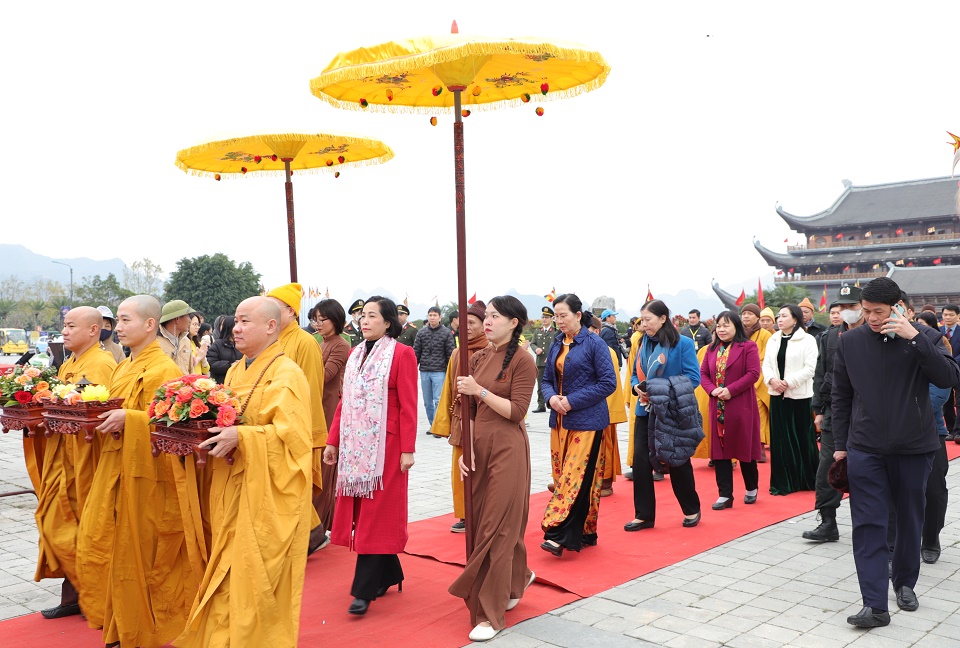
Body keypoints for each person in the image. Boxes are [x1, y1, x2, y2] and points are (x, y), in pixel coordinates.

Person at [175, 297, 313, 647]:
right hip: (230, 484)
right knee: (225, 574)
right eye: (235, 321)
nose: (235, 328)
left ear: (270, 326)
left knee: (253, 575)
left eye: (244, 321)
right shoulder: (236, 370)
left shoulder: (287, 373)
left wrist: (244, 437)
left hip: (264, 495)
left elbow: (293, 442)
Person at [832, 277, 960, 628]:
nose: (871, 318)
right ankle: (875, 605)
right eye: (867, 310)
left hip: (915, 447)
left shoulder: (927, 337)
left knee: (909, 520)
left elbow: (948, 377)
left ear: (898, 308)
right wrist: (840, 447)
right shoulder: (850, 342)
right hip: (865, 448)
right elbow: (841, 397)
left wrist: (915, 338)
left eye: (879, 312)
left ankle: (904, 583)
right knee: (869, 525)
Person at [75, 295, 195, 647]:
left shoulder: (165, 370)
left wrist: (132, 418)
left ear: (149, 324)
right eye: (119, 321)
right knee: (105, 545)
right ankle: (120, 627)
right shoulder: (123, 366)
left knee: (140, 555)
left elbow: (173, 428)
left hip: (149, 478)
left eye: (126, 320)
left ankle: (141, 632)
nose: (119, 327)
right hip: (115, 468)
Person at [449, 296, 537, 643]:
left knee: (497, 528)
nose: (487, 321)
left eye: (495, 316)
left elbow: (516, 412)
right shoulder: (478, 356)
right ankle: (518, 577)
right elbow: (467, 411)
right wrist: (464, 449)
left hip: (507, 449)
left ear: (514, 322)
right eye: (486, 315)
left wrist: (479, 390)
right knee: (491, 521)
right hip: (478, 449)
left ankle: (490, 613)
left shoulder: (523, 360)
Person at [323, 296, 417, 616]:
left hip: (386, 449)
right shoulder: (354, 354)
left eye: (372, 316)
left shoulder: (402, 354)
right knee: (367, 513)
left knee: (376, 515)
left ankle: (362, 590)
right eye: (363, 316)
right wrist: (333, 441)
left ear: (388, 322)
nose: (364, 321)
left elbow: (408, 405)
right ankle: (389, 573)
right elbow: (343, 402)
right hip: (353, 447)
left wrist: (407, 449)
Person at [34, 307, 117, 620]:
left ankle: (94, 594)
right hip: (63, 455)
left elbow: (99, 413)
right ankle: (78, 594)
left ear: (93, 330)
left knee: (81, 527)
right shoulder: (69, 362)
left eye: (71, 326)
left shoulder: (102, 362)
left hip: (87, 458)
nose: (65, 332)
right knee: (54, 521)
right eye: (63, 326)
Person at [540, 293, 616, 555]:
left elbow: (608, 383)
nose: (559, 321)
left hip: (587, 420)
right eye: (556, 316)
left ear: (578, 315)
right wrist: (551, 398)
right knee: (562, 475)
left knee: (575, 476)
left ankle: (558, 532)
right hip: (559, 419)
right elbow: (546, 379)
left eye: (563, 316)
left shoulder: (595, 344)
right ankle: (585, 531)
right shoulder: (556, 343)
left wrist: (571, 401)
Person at [626, 299, 702, 531]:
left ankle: (691, 508)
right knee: (640, 463)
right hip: (645, 409)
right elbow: (633, 375)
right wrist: (636, 387)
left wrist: (657, 389)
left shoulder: (683, 344)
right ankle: (644, 515)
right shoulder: (641, 344)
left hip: (671, 410)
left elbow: (693, 378)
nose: (644, 325)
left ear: (662, 319)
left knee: (677, 460)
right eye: (642, 320)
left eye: (648, 320)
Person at [266, 283, 329, 554]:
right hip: (274, 427)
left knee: (296, 486)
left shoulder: (304, 343)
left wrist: (309, 433)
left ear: (291, 311)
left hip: (298, 428)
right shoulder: (271, 341)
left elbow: (312, 390)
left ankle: (311, 536)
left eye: (274, 309)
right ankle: (309, 536)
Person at [805, 285, 865, 542]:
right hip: (834, 410)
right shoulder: (830, 337)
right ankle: (828, 521)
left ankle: (869, 524)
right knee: (828, 465)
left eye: (852, 306)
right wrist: (818, 408)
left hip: (866, 410)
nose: (846, 311)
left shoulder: (874, 333)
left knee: (865, 467)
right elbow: (821, 373)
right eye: (842, 306)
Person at [431, 300, 490, 532]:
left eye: (472, 323)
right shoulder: (457, 353)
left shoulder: (491, 350)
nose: (466, 327)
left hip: (484, 419)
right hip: (461, 420)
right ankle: (466, 515)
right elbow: (448, 389)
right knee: (460, 470)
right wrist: (444, 424)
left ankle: (483, 513)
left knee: (483, 466)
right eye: (463, 322)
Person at [699, 311, 762, 509]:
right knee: (720, 452)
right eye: (719, 326)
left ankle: (751, 487)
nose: (722, 329)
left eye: (726, 325)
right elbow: (703, 373)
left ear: (736, 327)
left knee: (744, 447)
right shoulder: (711, 349)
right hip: (717, 404)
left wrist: (730, 390)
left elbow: (753, 373)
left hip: (740, 404)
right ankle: (725, 495)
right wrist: (712, 390)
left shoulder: (748, 347)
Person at [763, 304, 819, 496]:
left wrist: (788, 382)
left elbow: (810, 368)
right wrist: (771, 380)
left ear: (795, 319)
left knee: (802, 438)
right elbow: (767, 364)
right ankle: (783, 482)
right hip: (777, 395)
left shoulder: (808, 340)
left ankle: (807, 479)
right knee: (780, 440)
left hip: (799, 396)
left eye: (784, 316)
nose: (779, 319)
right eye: (778, 316)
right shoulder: (773, 339)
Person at [911, 310, 952, 564]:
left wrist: (908, 410)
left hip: (930, 430)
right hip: (897, 433)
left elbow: (940, 392)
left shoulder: (937, 345)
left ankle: (931, 537)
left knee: (934, 489)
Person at [311, 298, 351, 542]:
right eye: (315, 319)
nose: (317, 324)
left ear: (335, 320)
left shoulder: (341, 345)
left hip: (330, 409)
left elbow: (325, 376)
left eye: (322, 319)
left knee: (327, 469)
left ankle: (320, 525)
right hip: (316, 407)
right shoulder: (318, 343)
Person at [588, 315, 626, 496]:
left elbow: (609, 384)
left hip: (604, 408)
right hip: (587, 408)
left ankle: (605, 483)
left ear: (596, 331)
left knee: (605, 447)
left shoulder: (606, 351)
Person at [413, 305, 456, 427]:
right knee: (427, 402)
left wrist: (450, 370)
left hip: (439, 371)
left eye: (434, 315)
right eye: (430, 315)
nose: (432, 318)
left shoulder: (446, 333)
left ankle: (439, 426)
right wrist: (412, 368)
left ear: (440, 317)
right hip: (424, 371)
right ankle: (432, 425)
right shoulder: (421, 333)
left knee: (438, 400)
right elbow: (416, 352)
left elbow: (450, 353)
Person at [740, 303, 772, 461]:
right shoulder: (737, 334)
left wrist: (753, 382)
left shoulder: (765, 335)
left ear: (757, 317)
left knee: (758, 414)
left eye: (750, 314)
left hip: (759, 382)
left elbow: (766, 360)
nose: (746, 316)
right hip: (738, 380)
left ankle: (759, 448)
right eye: (744, 313)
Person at [528, 306, 556, 413]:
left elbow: (557, 345)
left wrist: (551, 356)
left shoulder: (555, 332)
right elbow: (532, 343)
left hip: (551, 362)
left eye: (546, 317)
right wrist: (536, 349)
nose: (544, 319)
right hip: (540, 362)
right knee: (540, 385)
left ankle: (553, 404)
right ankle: (541, 405)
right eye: (543, 317)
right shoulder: (537, 331)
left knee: (554, 384)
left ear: (551, 319)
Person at [939, 304, 960, 439]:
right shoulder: (937, 331)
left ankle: (958, 431)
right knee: (945, 401)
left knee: (959, 401)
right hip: (942, 371)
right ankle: (951, 429)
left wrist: (951, 362)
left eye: (951, 315)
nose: (948, 317)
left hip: (958, 369)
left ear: (958, 316)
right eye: (945, 314)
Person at [157, 299, 195, 373]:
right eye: (188, 316)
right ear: (177, 319)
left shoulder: (186, 341)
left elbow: (191, 371)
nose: (190, 320)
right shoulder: (155, 342)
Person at [206, 316, 243, 384]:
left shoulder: (242, 344)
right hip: (221, 383)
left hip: (238, 382)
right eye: (235, 325)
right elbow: (211, 364)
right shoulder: (218, 344)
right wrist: (230, 365)